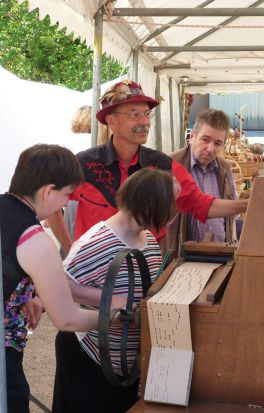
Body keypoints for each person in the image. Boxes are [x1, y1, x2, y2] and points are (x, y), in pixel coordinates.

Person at [46, 79, 248, 256]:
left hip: (142, 271)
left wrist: (248, 204)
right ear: (111, 121)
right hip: (91, 272)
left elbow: (202, 204)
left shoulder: (163, 166)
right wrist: (68, 245)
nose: (144, 122)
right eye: (135, 114)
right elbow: (48, 199)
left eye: (146, 114)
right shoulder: (85, 164)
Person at [52, 168, 176, 413]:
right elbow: (56, 285)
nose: (172, 212)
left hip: (124, 364)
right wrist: (110, 300)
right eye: (168, 204)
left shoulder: (148, 240)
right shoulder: (97, 243)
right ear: (149, 204)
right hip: (90, 357)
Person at [1, 144, 100, 413]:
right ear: (47, 191)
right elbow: (66, 318)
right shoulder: (35, 239)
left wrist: (26, 293)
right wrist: (116, 317)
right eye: (67, 194)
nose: (67, 203)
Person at [167, 109, 242, 249]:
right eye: (205, 139)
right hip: (181, 254)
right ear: (192, 136)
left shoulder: (224, 168)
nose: (210, 149)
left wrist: (233, 243)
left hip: (221, 252)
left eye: (218, 143)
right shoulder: (172, 164)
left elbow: (232, 214)